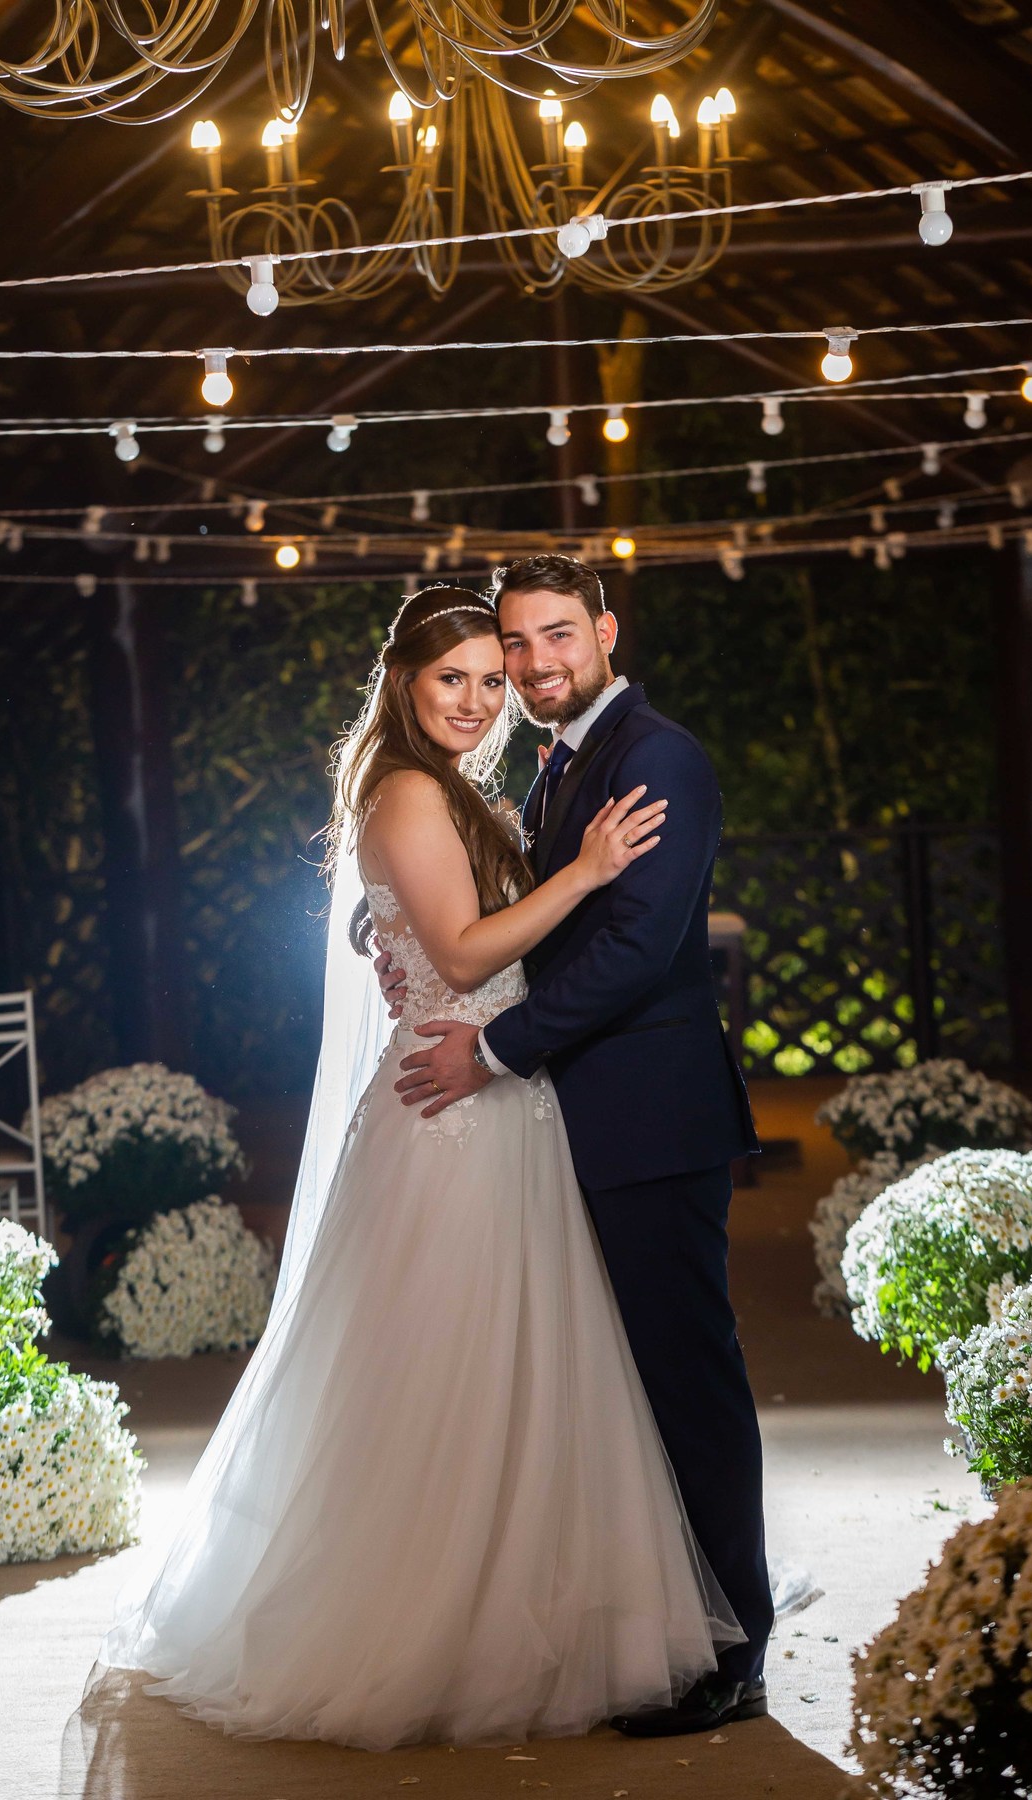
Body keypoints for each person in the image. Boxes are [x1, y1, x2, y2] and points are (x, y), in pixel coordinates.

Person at [93, 585, 744, 1751]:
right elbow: (461, 943)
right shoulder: (415, 787)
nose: (490, 692)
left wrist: (472, 992)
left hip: (520, 1095)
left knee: (566, 1368)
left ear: (605, 636)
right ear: (404, 685)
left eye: (500, 674)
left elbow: (617, 948)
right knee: (453, 1367)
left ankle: (699, 1623)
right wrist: (578, 877)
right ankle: (454, 1618)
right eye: (464, 676)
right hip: (459, 1105)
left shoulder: (619, 763)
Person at [382, 554, 773, 1738]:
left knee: (683, 1379)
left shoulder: (654, 756)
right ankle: (665, 1613)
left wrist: (494, 1052)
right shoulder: (552, 764)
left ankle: (732, 1646)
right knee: (619, 1388)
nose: (536, 662)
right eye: (517, 644)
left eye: (559, 635)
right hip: (573, 1120)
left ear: (605, 630)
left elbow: (638, 950)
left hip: (646, 1117)